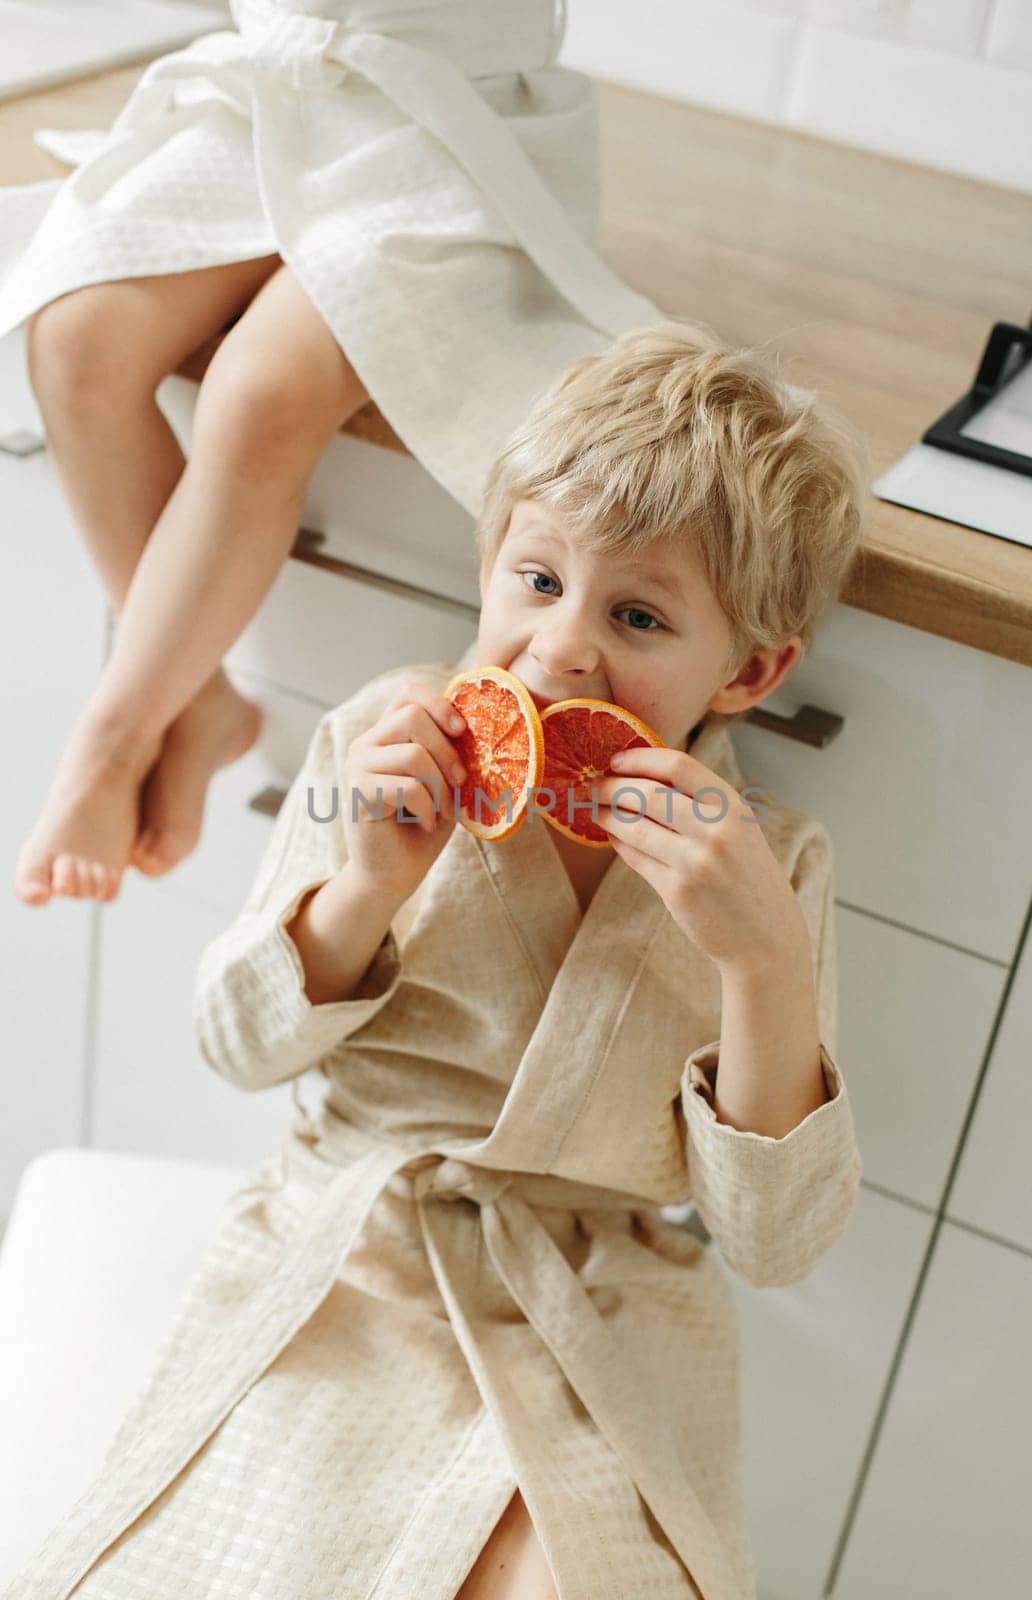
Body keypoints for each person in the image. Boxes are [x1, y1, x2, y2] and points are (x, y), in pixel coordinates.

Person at [3, 323, 869, 1600]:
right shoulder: (380, 741)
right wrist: (365, 884)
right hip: (360, 1257)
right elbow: (233, 1044)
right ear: (484, 567)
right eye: (534, 580)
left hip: (601, 1306)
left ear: (748, 669)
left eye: (635, 613)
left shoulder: (770, 865)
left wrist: (760, 965)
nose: (561, 649)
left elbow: (775, 1243)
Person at [0, 0, 661, 908]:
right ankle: (194, 696)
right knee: (76, 340)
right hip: (273, 96)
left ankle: (113, 734)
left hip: (447, 127)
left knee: (263, 393)